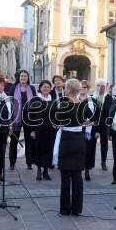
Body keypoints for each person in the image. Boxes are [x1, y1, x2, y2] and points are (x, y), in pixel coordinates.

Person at [53, 78, 90, 216]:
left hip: (67, 141)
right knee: (77, 175)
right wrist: (80, 126)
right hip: (79, 141)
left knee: (65, 176)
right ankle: (77, 208)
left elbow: (56, 124)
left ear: (68, 90)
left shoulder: (64, 105)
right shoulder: (84, 104)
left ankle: (65, 208)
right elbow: (92, 120)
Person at [27, 80, 56, 181]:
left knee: (48, 150)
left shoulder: (52, 100)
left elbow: (55, 115)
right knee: (39, 149)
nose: (46, 89)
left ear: (50, 89)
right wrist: (32, 130)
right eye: (44, 87)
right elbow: (31, 116)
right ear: (40, 88)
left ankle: (46, 171)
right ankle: (39, 171)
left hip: (50, 131)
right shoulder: (35, 100)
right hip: (38, 130)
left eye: (48, 87)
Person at [9, 70, 37, 170]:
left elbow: (35, 102)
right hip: (16, 117)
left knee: (29, 140)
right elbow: (11, 102)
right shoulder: (13, 88)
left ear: (28, 78)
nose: (23, 78)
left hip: (29, 117)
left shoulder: (32, 88)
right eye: (22, 76)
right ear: (19, 77)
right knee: (14, 140)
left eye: (25, 76)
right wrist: (10, 119)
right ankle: (12, 163)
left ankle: (29, 162)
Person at [77, 80, 100, 181]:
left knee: (89, 151)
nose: (83, 88)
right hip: (77, 129)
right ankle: (77, 170)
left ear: (88, 89)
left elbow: (98, 117)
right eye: (81, 86)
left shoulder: (93, 100)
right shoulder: (74, 99)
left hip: (90, 130)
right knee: (78, 151)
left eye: (85, 87)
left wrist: (97, 131)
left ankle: (87, 171)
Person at [92, 78, 113, 171]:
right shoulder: (92, 97)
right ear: (96, 87)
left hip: (104, 123)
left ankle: (103, 161)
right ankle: (90, 162)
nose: (101, 87)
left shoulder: (109, 97)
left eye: (103, 86)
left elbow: (110, 110)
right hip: (94, 123)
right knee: (91, 144)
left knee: (104, 144)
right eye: (99, 85)